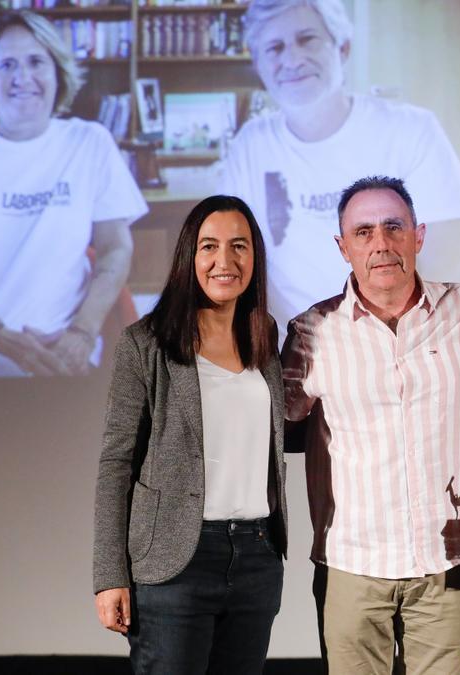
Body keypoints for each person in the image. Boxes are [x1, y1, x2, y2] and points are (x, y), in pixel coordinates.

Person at [281, 175, 460, 674]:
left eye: (394, 227)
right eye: (364, 232)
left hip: (450, 558)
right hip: (351, 562)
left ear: (418, 236)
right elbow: (272, 423)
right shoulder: (313, 331)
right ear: (342, 247)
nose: (381, 244)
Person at [93, 196, 288, 674]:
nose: (226, 261)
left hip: (257, 556)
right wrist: (109, 576)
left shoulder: (264, 334)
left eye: (239, 246)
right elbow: (117, 463)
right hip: (174, 562)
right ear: (189, 256)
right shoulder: (146, 344)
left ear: (255, 257)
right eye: (210, 246)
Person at [221, 0, 460, 333]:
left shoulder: (411, 130)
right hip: (293, 355)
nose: (292, 59)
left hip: (403, 348)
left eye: (307, 39)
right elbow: (232, 264)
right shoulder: (250, 145)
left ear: (342, 47)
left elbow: (448, 264)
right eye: (274, 48)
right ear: (258, 64)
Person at [0, 10, 147, 378]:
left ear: (57, 74)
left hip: (64, 346)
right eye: (6, 65)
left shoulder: (90, 143)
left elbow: (115, 248)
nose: (23, 77)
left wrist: (82, 334)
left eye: (36, 61)